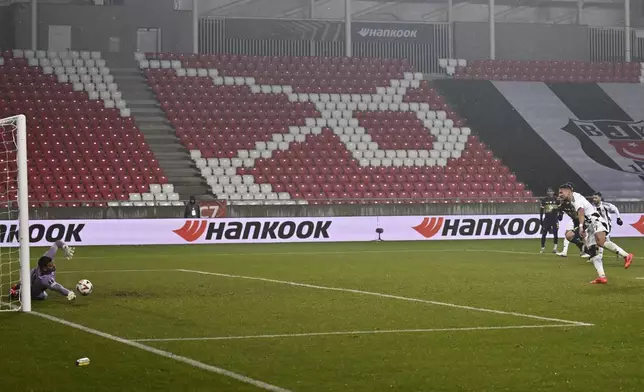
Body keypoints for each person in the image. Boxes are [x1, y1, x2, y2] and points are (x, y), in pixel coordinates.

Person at [558, 183, 633, 284]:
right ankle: (602, 277)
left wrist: (580, 227)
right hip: (589, 226)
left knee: (600, 241)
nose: (559, 194)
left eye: (561, 192)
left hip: (596, 220)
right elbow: (576, 216)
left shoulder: (576, 198)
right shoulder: (569, 202)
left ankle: (626, 255)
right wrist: (582, 227)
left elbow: (581, 211)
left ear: (568, 191)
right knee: (592, 252)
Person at [9, 240, 76, 301]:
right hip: (35, 289)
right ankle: (17, 293)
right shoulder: (45, 279)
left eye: (52, 263)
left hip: (31, 275)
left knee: (29, 277)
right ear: (44, 268)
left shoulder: (47, 257)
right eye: (50, 266)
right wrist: (69, 293)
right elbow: (58, 288)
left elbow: (57, 243)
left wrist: (65, 247)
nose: (53, 266)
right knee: (43, 296)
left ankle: (18, 285)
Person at [592, 192, 623, 260]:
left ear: (600, 198)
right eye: (593, 198)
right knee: (605, 241)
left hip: (606, 225)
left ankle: (600, 255)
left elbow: (615, 208)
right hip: (597, 225)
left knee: (601, 239)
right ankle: (620, 253)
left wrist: (618, 218)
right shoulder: (592, 206)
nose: (594, 199)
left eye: (596, 198)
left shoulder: (605, 205)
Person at [540, 188, 559, 254]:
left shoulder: (556, 199)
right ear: (547, 192)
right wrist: (541, 218)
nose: (550, 192)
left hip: (554, 219)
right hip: (547, 219)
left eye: (551, 191)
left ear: (553, 192)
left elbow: (560, 209)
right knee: (543, 234)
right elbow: (541, 210)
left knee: (555, 234)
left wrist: (560, 216)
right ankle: (542, 248)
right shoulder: (544, 200)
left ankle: (555, 248)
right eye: (548, 191)